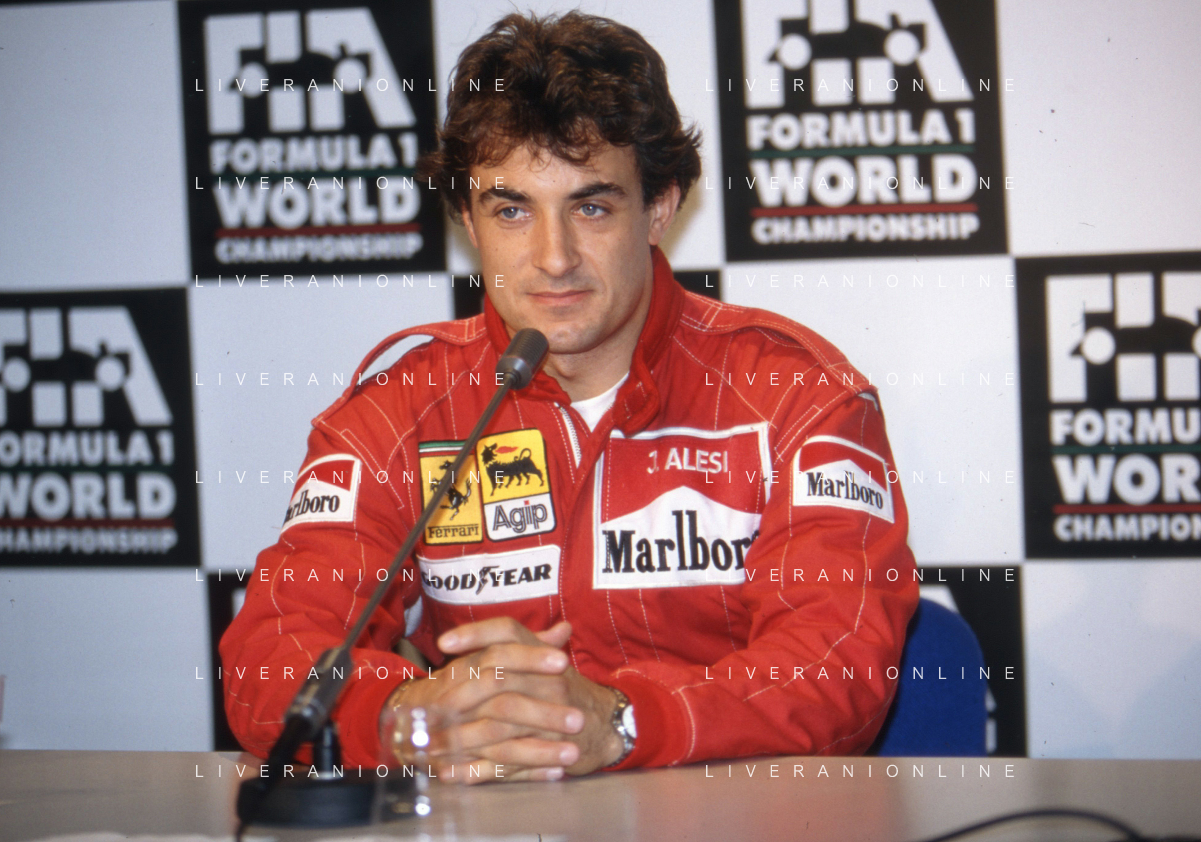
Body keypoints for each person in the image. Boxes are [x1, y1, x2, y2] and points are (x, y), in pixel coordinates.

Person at [220, 10, 918, 783]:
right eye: (511, 210)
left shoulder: (796, 396)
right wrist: (408, 718)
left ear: (658, 208)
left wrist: (620, 722)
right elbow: (270, 655)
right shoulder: (394, 413)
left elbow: (834, 663)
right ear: (468, 220)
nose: (553, 258)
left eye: (591, 206)